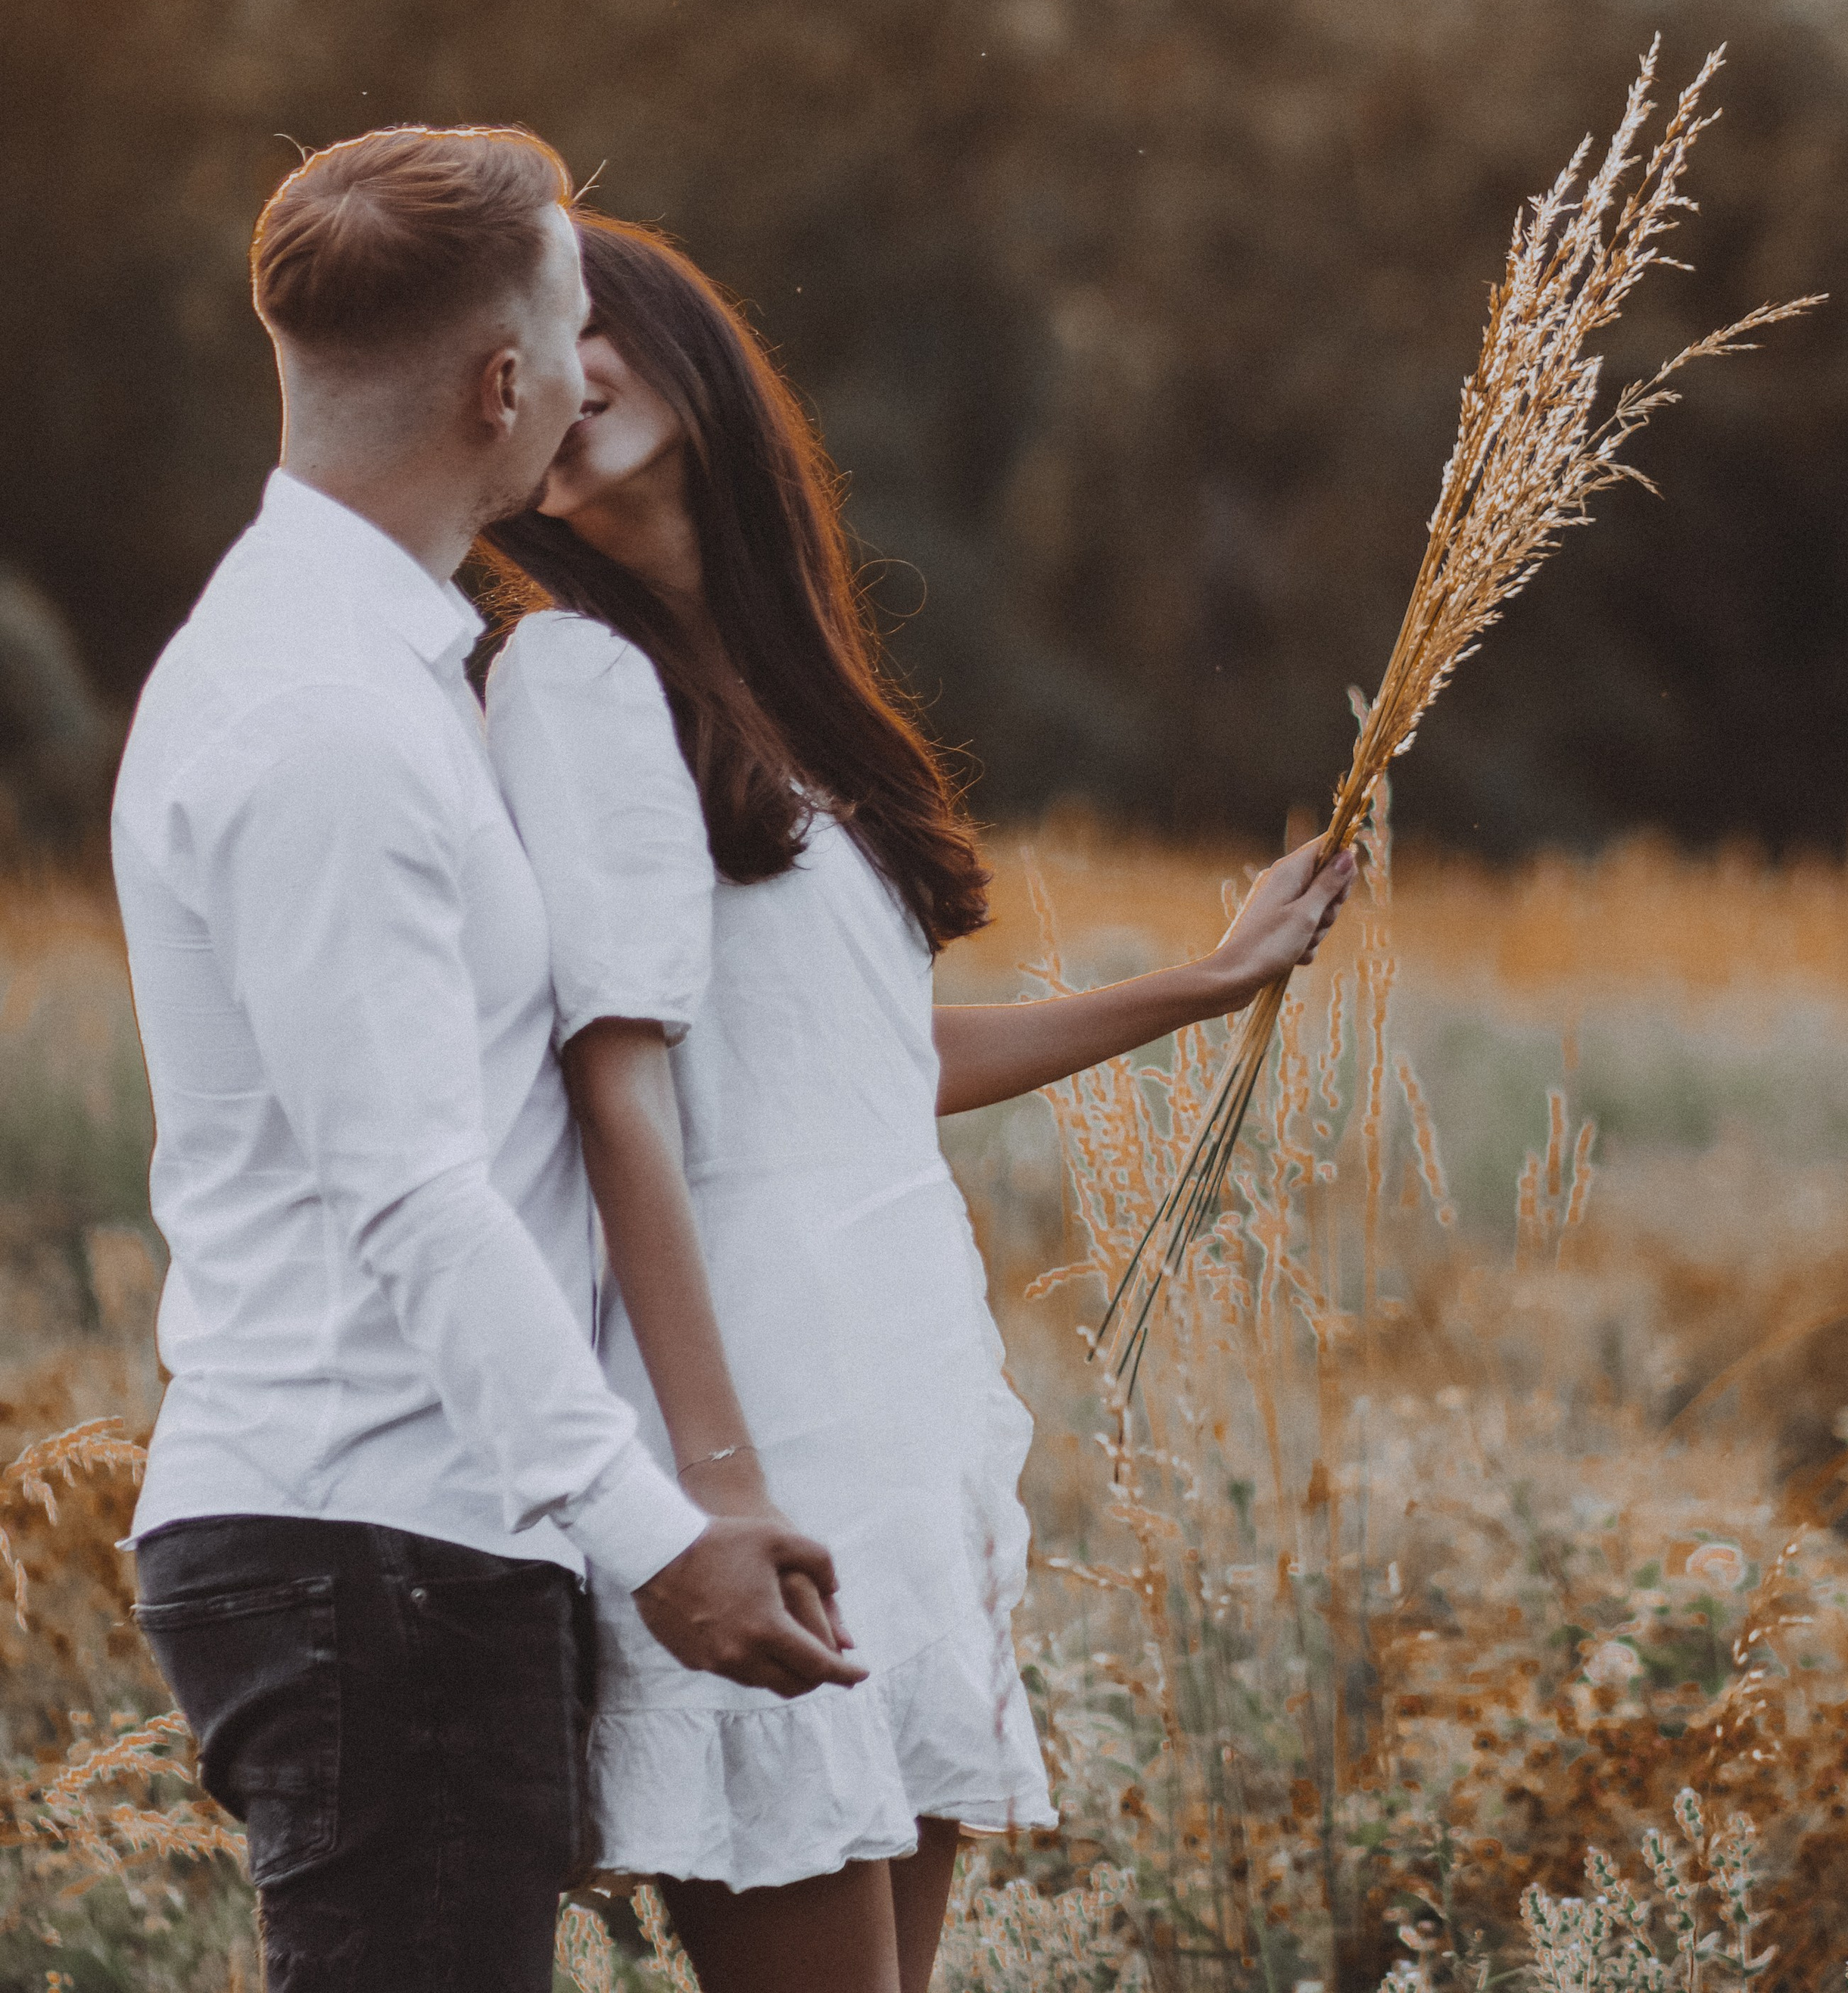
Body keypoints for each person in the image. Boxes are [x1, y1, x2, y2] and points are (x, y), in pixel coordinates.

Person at [481, 212, 1355, 1993]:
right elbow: (619, 1104)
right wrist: (713, 1494)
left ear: (670, 335)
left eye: (569, 322)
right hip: (750, 1406)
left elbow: (860, 1067)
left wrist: (1201, 984)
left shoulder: (779, 698)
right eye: (501, 365)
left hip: (893, 1386)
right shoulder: (571, 679)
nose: (547, 382)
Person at [113, 127, 859, 1993]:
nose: (590, 375)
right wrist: (657, 1533)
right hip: (370, 1538)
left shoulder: (370, 667)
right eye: (572, 329)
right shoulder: (328, 718)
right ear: (500, 385)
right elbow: (407, 1190)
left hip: (396, 1535)